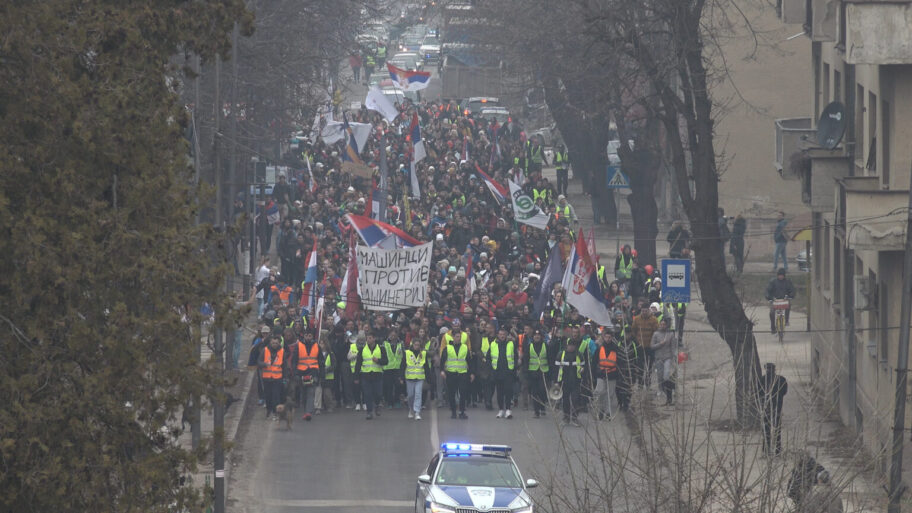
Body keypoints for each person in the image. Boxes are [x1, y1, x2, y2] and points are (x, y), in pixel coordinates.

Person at [440, 320, 474, 419]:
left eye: (459, 336)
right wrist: (442, 370)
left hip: (462, 373)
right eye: (456, 336)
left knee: (463, 393)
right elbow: (443, 360)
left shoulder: (465, 348)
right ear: (453, 337)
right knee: (451, 393)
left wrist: (471, 373)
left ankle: (462, 411)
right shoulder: (448, 348)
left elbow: (469, 361)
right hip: (451, 373)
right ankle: (454, 411)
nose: (458, 338)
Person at [354, 332, 388, 420]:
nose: (368, 340)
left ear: (374, 339)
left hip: (377, 374)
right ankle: (369, 412)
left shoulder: (381, 348)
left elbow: (386, 361)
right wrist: (356, 377)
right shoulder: (362, 349)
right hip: (366, 375)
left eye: (370, 338)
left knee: (378, 393)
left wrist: (378, 360)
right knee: (367, 394)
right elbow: (358, 364)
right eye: (367, 338)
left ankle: (377, 405)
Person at [290, 329, 321, 421]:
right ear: (304, 336)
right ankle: (306, 411)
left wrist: (321, 375)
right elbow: (294, 361)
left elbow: (321, 361)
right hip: (301, 373)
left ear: (312, 337)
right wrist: (295, 373)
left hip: (313, 372)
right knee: (303, 393)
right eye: (307, 335)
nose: (308, 337)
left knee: (311, 392)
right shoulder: (298, 346)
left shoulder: (316, 346)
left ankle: (308, 412)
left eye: (310, 336)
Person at [488, 327, 518, 419]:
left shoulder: (511, 344)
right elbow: (488, 358)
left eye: (504, 334)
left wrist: (515, 369)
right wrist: (492, 369)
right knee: (499, 392)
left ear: (506, 335)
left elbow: (515, 357)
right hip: (497, 372)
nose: (502, 336)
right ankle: (501, 410)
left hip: (508, 372)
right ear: (498, 335)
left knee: (508, 391)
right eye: (500, 334)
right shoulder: (493, 344)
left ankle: (508, 410)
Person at [758, 362, 788, 456]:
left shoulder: (762, 379)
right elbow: (784, 392)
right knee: (775, 428)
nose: (769, 371)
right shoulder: (781, 379)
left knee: (769, 429)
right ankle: (776, 450)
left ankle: (768, 450)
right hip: (775, 406)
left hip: (768, 407)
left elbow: (759, 393)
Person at [257, 334, 285, 420]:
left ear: (279, 343)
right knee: (268, 396)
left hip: (277, 378)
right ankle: (269, 409)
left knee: (275, 396)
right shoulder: (265, 350)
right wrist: (264, 364)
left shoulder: (282, 351)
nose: (274, 345)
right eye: (273, 343)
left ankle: (275, 413)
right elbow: (259, 362)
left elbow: (285, 365)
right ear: (270, 342)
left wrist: (285, 377)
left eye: (276, 343)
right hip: (267, 378)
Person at [556, 337, 583, 426]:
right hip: (564, 381)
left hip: (576, 381)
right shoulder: (561, 354)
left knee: (575, 400)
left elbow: (584, 366)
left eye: (572, 345)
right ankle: (566, 417)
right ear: (566, 346)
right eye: (569, 345)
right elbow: (556, 368)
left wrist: (582, 371)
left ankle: (575, 418)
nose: (571, 347)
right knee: (565, 400)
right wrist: (556, 381)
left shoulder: (579, 355)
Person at [594, 330, 619, 420]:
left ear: (612, 338)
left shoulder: (616, 349)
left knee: (610, 394)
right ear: (604, 337)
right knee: (600, 392)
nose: (608, 339)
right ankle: (601, 410)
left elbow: (619, 363)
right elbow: (594, 362)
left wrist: (618, 375)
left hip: (612, 375)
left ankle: (608, 413)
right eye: (606, 337)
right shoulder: (599, 349)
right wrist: (595, 373)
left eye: (609, 337)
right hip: (601, 374)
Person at [651, 319, 677, 405]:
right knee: (659, 376)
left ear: (666, 325)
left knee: (666, 375)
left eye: (664, 324)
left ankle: (671, 389)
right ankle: (660, 389)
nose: (662, 326)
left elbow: (673, 347)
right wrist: (660, 344)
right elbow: (652, 346)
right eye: (661, 324)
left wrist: (674, 357)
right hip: (658, 358)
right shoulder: (656, 334)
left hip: (667, 357)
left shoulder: (670, 334)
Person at [631, 305, 659, 387]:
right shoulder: (636, 319)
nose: (644, 312)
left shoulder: (654, 319)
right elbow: (633, 330)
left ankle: (648, 382)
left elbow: (656, 332)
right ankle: (640, 383)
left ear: (649, 310)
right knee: (640, 367)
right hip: (640, 347)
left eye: (646, 311)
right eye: (643, 311)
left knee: (649, 367)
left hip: (650, 347)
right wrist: (637, 341)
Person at [401, 336, 428, 420]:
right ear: (412, 345)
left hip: (419, 378)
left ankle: (417, 412)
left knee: (418, 394)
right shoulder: (407, 353)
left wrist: (429, 378)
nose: (417, 346)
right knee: (410, 395)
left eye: (418, 345)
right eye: (415, 345)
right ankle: (411, 409)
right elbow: (402, 365)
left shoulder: (423, 353)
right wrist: (401, 377)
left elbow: (426, 366)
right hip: (409, 378)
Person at [525, 328, 550, 418]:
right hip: (533, 372)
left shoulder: (546, 346)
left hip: (544, 372)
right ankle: (536, 412)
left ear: (541, 337)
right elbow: (526, 360)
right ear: (533, 337)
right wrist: (526, 373)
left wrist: (550, 374)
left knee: (542, 391)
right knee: (534, 392)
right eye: (535, 335)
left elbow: (549, 359)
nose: (537, 336)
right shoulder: (529, 346)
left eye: (538, 335)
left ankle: (542, 407)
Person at [765, 268, 796, 333]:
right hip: (775, 300)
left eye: (782, 275)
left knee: (789, 305)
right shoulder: (773, 282)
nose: (780, 276)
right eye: (779, 275)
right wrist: (771, 298)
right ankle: (773, 327)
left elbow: (792, 290)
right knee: (772, 312)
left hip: (784, 300)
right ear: (777, 275)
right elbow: (767, 291)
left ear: (784, 276)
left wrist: (789, 296)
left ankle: (786, 320)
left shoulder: (788, 282)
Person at [382, 329, 404, 408]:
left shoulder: (401, 343)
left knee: (398, 385)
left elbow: (403, 355)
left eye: (395, 335)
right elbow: (382, 354)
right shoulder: (385, 343)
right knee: (389, 386)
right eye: (391, 335)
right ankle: (390, 402)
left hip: (398, 368)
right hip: (388, 368)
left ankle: (397, 401)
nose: (393, 337)